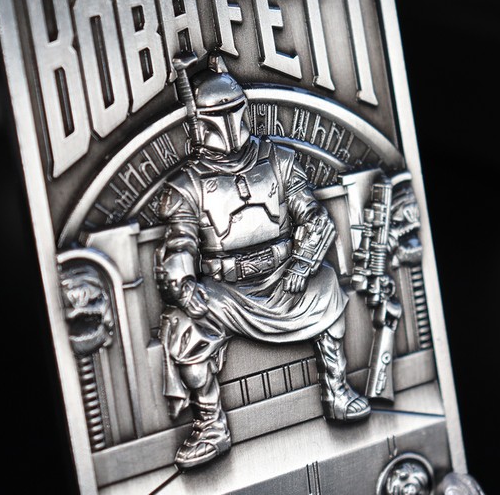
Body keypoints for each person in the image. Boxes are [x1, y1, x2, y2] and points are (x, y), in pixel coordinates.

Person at [155, 52, 369, 470]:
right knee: (183, 324)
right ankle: (211, 425)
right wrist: (184, 285)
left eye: (234, 110)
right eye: (218, 115)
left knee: (327, 287)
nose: (229, 123)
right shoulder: (187, 186)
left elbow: (315, 218)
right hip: (226, 292)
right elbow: (178, 245)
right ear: (199, 121)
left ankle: (337, 389)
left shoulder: (280, 160)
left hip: (286, 277)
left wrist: (303, 264)